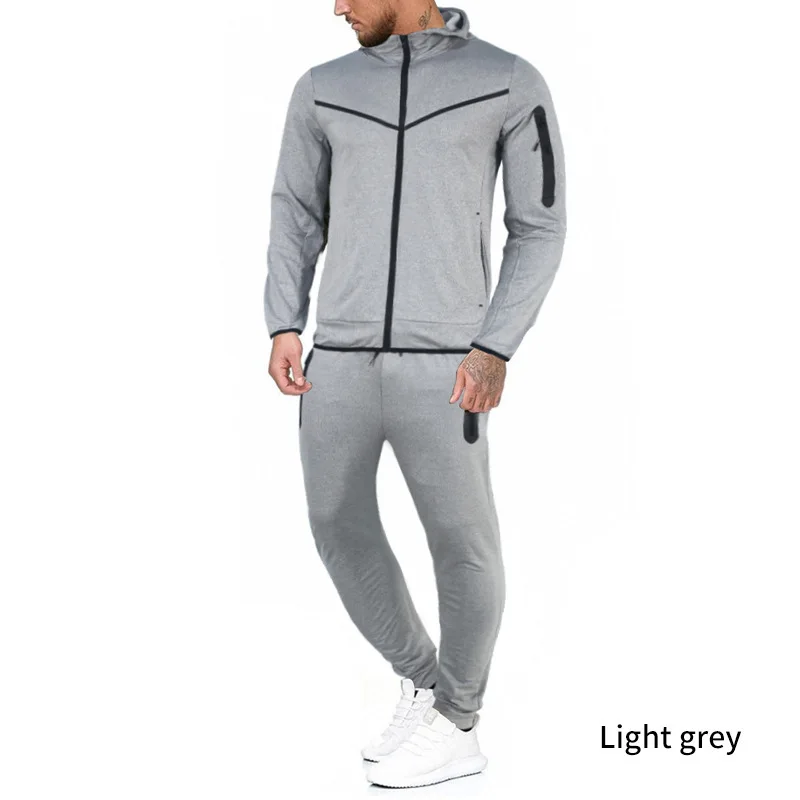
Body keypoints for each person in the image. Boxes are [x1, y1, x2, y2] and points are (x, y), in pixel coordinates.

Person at [264, 2, 566, 788]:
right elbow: (296, 212)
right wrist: (284, 321)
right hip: (337, 359)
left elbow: (539, 227)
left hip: (448, 366)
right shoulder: (322, 87)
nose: (338, 7)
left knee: (462, 543)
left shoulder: (506, 80)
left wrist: (495, 345)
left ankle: (459, 724)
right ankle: (428, 686)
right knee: (336, 526)